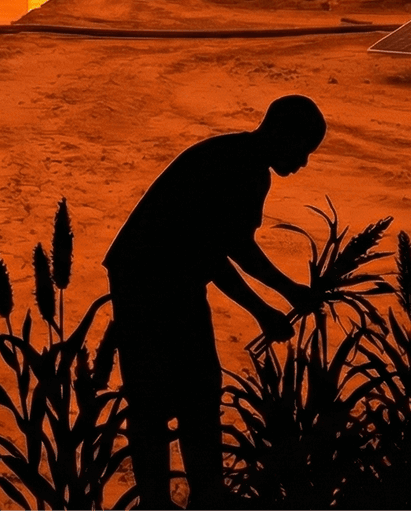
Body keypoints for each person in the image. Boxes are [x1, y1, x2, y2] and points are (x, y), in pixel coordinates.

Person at [104, 94, 324, 508]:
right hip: (147, 276)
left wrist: (286, 292)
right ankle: (167, 499)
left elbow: (226, 247)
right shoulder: (241, 168)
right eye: (302, 149)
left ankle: (205, 493)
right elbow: (219, 250)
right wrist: (265, 308)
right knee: (161, 395)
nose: (303, 163)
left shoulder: (243, 160)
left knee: (198, 387)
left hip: (171, 275)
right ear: (280, 133)